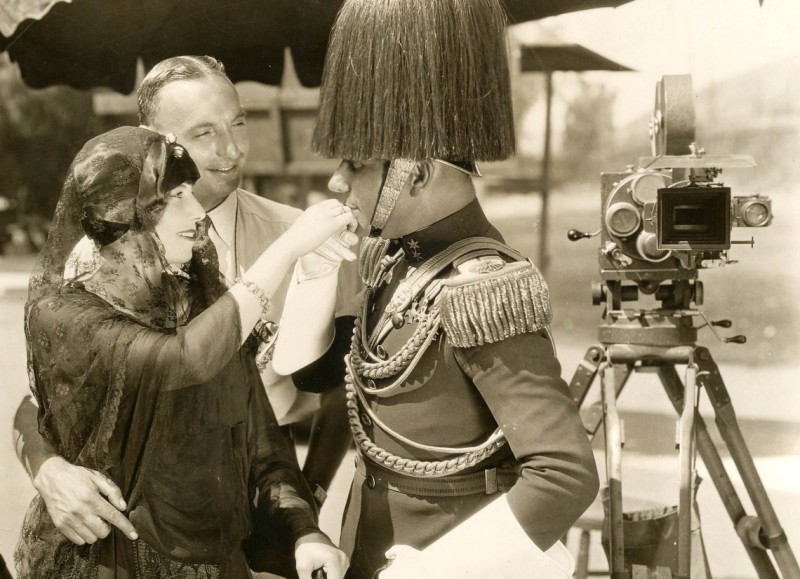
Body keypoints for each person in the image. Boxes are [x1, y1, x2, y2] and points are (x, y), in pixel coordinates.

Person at [272, 1, 600, 577]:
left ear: (414, 173)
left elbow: (565, 475)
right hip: (368, 547)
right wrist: (313, 278)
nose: (336, 179)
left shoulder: (484, 287)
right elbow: (321, 378)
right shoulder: (389, 258)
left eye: (355, 163)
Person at [12, 55, 355, 549]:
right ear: (154, 138)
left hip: (270, 499)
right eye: (204, 133)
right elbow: (46, 395)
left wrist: (310, 500)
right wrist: (48, 470)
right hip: (142, 524)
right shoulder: (98, 256)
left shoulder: (303, 237)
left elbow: (344, 387)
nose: (232, 149)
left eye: (239, 122)